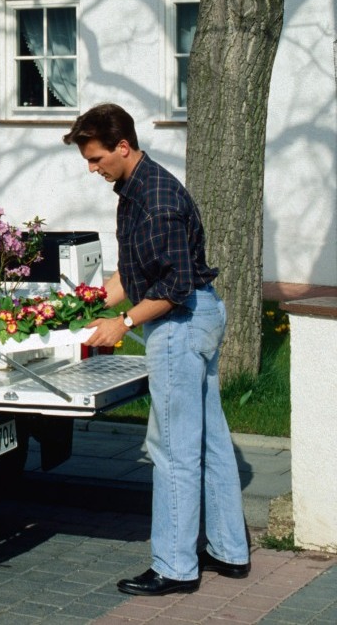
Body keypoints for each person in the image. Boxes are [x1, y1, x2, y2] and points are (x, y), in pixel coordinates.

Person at [63, 103, 250, 597]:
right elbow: (134, 271)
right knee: (210, 441)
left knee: (173, 451)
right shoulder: (134, 187)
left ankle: (175, 567)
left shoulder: (157, 200)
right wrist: (87, 305)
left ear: (123, 147)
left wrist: (121, 324)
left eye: (96, 158)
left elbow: (174, 288)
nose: (92, 168)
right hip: (196, 317)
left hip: (180, 323)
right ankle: (229, 551)